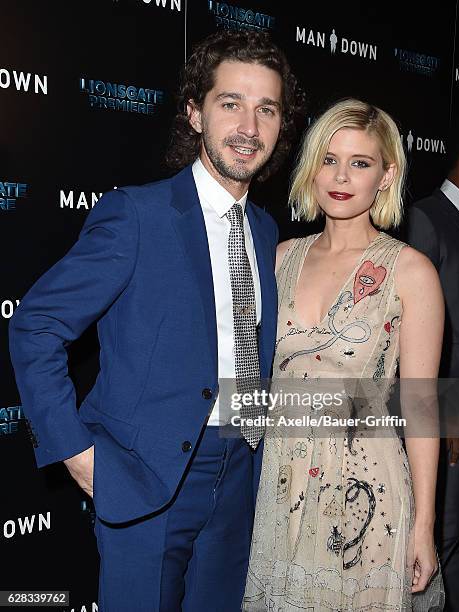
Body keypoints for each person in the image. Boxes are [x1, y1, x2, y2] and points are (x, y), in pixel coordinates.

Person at [9, 30, 305, 611]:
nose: (249, 126)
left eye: (266, 109)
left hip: (240, 475)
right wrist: (77, 452)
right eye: (231, 104)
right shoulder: (137, 216)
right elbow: (35, 326)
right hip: (145, 480)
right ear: (195, 113)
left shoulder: (267, 232)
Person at [243, 99, 445, 610]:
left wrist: (424, 525)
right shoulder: (277, 258)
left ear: (386, 175)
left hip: (366, 491)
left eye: (360, 163)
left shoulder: (411, 271)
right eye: (329, 159)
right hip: (281, 487)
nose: (341, 176)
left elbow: (421, 407)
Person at [405, 114, 459, 611]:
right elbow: (417, 331)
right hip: (450, 415)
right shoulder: (426, 216)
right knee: (444, 536)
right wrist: (447, 413)